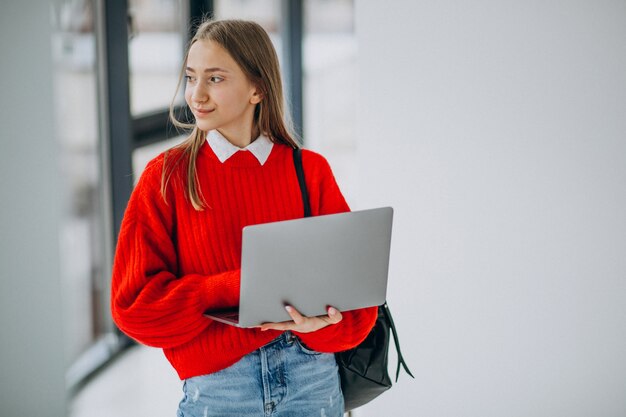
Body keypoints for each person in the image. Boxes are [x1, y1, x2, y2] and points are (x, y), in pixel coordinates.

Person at [110, 19, 377, 417]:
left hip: (312, 380)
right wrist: (234, 286)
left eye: (214, 78)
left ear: (258, 89)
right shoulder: (166, 178)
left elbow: (359, 310)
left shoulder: (309, 170)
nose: (196, 95)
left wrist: (320, 326)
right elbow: (135, 308)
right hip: (220, 389)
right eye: (190, 77)